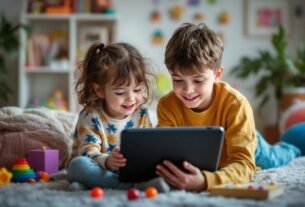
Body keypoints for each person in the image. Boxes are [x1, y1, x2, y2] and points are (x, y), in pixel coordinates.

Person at [156, 23, 300, 192]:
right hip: (218, 151)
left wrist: (206, 181)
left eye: (198, 80)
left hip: (247, 141)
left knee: (275, 158)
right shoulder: (166, 105)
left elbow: (244, 164)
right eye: (178, 80)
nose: (187, 90)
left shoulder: (236, 105)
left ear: (217, 75)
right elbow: (164, 153)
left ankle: (291, 147)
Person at [67, 42, 169, 192]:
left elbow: (147, 148)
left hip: (129, 171)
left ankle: (92, 184)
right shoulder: (91, 115)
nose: (131, 99)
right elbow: (87, 152)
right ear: (100, 90)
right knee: (78, 166)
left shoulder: (141, 113)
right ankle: (129, 186)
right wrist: (107, 161)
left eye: (137, 90)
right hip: (99, 167)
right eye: (121, 93)